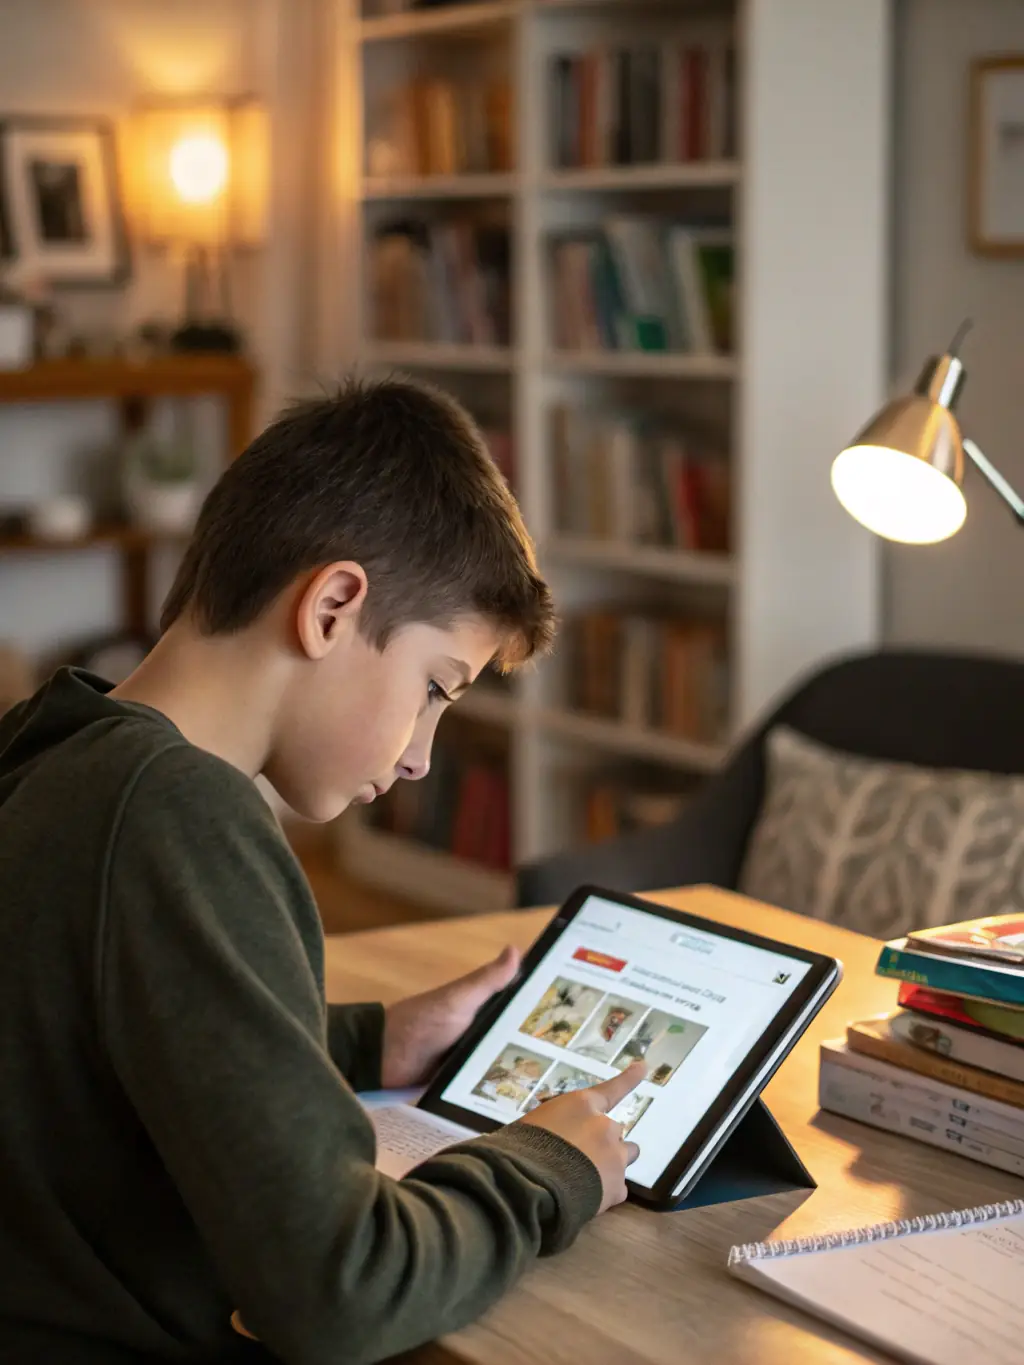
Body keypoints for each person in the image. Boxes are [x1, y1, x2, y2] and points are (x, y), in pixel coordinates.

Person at [0, 375, 643, 1365]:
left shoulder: (56, 745)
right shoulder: (175, 813)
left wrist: (368, 1041)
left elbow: (92, 1036)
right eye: (436, 688)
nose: (424, 753)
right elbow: (343, 1287)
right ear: (335, 605)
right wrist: (546, 1165)